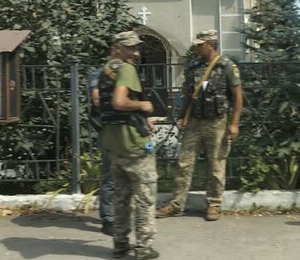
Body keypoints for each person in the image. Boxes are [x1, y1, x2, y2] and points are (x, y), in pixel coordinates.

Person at [157, 29, 243, 221]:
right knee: (183, 163)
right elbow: (189, 92)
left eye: (200, 44)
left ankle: (213, 205)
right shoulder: (193, 66)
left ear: (210, 45)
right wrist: (182, 116)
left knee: (216, 165)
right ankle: (177, 204)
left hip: (217, 122)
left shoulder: (226, 66)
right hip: (195, 121)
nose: (196, 47)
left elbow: (237, 95)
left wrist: (234, 123)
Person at [99, 31, 159, 260]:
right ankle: (143, 248)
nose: (135, 52)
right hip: (134, 145)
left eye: (136, 47)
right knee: (145, 198)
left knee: (121, 199)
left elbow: (101, 104)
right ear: (117, 47)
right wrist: (143, 105)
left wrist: (141, 116)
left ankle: (120, 245)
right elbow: (119, 102)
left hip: (114, 144)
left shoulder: (104, 71)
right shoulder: (126, 69)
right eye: (130, 48)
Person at [88, 66, 114, 236]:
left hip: (128, 131)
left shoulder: (130, 71)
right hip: (108, 129)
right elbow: (96, 100)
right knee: (110, 175)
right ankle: (109, 219)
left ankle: (122, 215)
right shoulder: (99, 73)